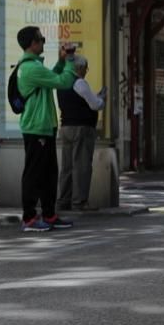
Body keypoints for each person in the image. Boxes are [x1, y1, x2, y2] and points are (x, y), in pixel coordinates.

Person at [14, 26, 77, 232]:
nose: (43, 42)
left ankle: (49, 215)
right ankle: (30, 218)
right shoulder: (31, 68)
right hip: (36, 128)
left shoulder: (33, 66)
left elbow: (51, 77)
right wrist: (69, 61)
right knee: (34, 174)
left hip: (43, 128)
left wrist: (60, 62)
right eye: (41, 39)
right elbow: (63, 82)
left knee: (49, 174)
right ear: (32, 43)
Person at [57, 55, 106, 211]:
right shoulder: (80, 82)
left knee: (67, 166)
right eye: (85, 68)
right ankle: (79, 202)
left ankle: (64, 200)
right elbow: (95, 105)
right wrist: (102, 98)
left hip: (65, 127)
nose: (86, 71)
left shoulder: (61, 83)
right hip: (81, 128)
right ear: (79, 68)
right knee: (82, 166)